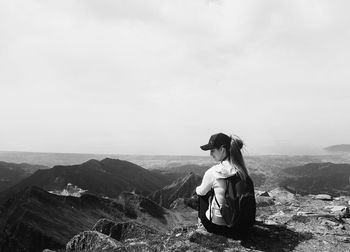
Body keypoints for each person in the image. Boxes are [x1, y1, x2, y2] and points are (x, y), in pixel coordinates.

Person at [195, 132, 254, 238]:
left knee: (202, 195)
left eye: (212, 150)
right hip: (241, 228)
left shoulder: (213, 172)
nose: (210, 154)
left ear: (222, 149)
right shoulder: (242, 171)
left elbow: (201, 192)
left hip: (217, 228)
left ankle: (200, 223)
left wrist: (197, 189)